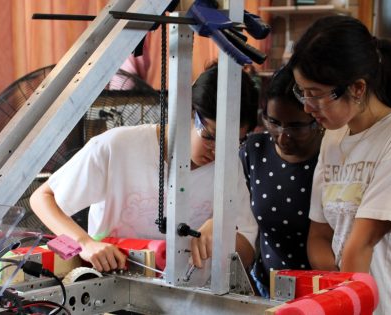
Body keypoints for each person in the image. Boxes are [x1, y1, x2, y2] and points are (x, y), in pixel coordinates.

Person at [30, 64, 259, 273]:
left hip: (190, 297)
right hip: (115, 288)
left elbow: (247, 253)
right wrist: (85, 244)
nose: (218, 152)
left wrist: (223, 231)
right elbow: (43, 197)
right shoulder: (116, 147)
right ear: (186, 111)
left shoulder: (229, 166)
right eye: (209, 136)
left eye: (230, 144)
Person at [288, 15, 391, 314]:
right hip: (349, 301)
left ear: (357, 88)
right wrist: (338, 295)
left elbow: (361, 245)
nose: (306, 106)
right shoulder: (334, 136)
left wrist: (345, 300)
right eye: (301, 91)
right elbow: (319, 236)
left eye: (315, 94)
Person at [240, 66, 323, 297]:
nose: (283, 136)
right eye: (273, 122)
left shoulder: (332, 155)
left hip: (322, 292)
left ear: (316, 118)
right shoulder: (254, 150)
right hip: (266, 289)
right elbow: (238, 221)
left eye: (296, 126)